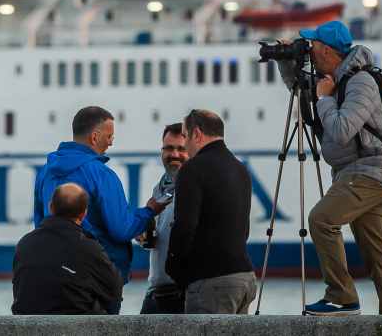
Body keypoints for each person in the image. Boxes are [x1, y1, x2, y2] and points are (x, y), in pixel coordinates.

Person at [279, 20, 382, 316]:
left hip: (369, 172)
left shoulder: (361, 82)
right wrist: (286, 61)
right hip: (357, 174)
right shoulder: (332, 79)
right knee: (378, 258)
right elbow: (299, 90)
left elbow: (341, 130)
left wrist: (324, 98)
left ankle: (342, 297)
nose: (309, 49)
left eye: (312, 45)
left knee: (321, 219)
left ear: (326, 50)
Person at [33, 106, 155, 314]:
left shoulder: (45, 173)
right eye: (109, 136)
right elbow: (121, 229)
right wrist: (149, 211)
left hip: (53, 275)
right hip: (97, 280)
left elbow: (40, 223)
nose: (111, 142)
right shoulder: (101, 174)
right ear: (95, 137)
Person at [166, 109, 256, 314]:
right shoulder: (240, 168)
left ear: (197, 134)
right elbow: (244, 229)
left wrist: (174, 268)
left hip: (211, 282)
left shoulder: (193, 169)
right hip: (245, 278)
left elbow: (185, 226)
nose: (185, 144)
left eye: (185, 136)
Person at [12, 183, 123, 314]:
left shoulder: (24, 243)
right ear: (83, 214)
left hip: (26, 323)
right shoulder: (88, 248)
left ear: (51, 207)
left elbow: (18, 290)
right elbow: (114, 290)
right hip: (76, 324)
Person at [139, 123, 189, 314]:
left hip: (181, 293)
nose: (174, 154)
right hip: (156, 291)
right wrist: (144, 234)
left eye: (181, 149)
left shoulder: (195, 188)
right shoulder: (161, 186)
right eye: (168, 148)